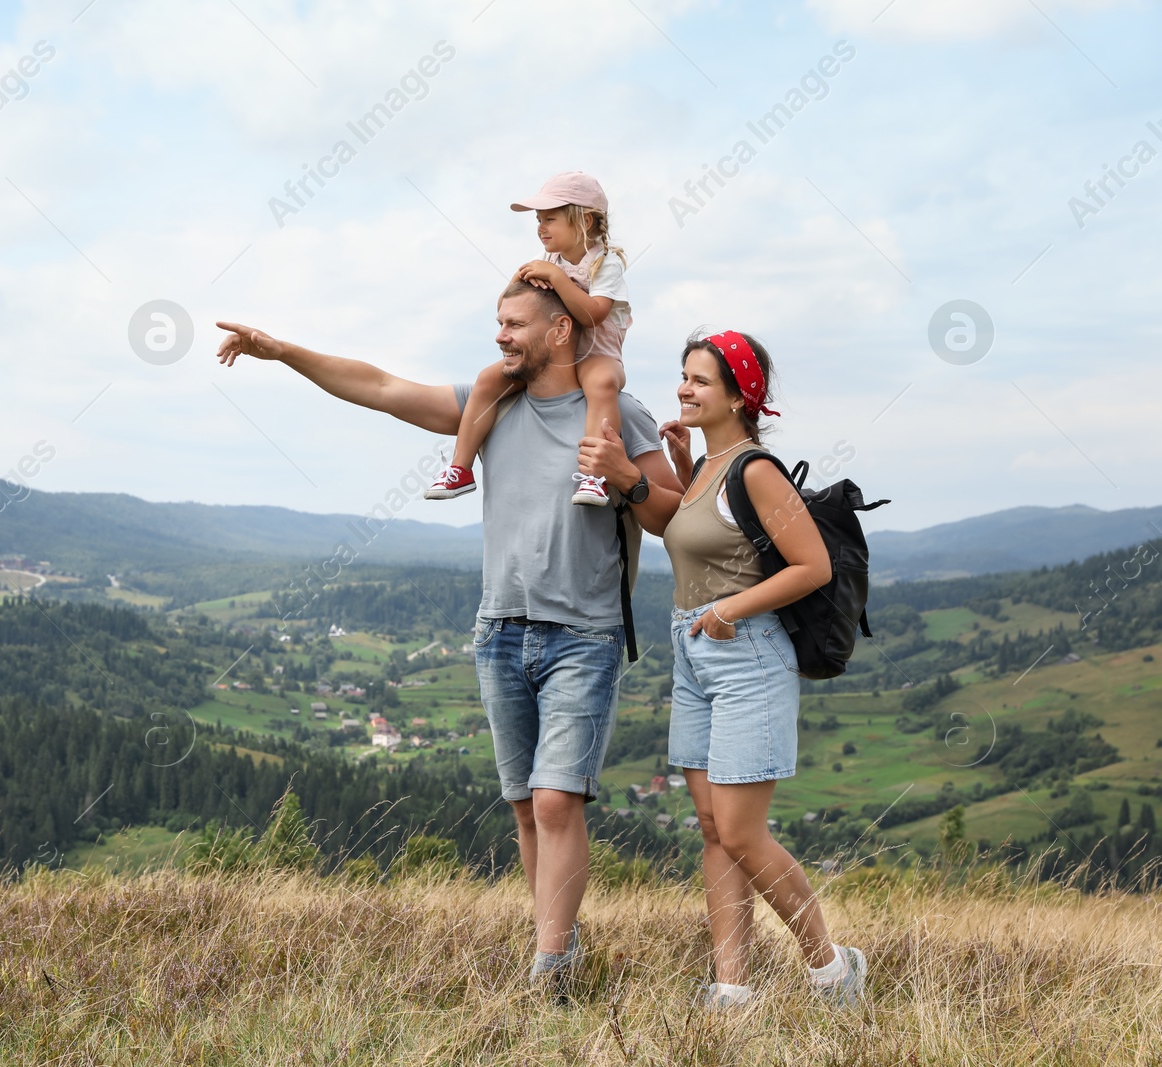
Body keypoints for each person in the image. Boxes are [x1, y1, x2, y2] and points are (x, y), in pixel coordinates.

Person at [216, 280, 679, 997]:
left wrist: (626, 479)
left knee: (557, 802)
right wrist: (283, 353)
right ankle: (556, 942)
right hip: (499, 630)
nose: (500, 336)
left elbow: (670, 515)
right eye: (498, 322)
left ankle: (550, 971)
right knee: (527, 806)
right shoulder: (491, 404)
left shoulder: (623, 413)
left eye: (514, 324)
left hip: (584, 634)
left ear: (560, 331)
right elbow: (379, 387)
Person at [577, 328, 868, 1011]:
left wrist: (730, 606)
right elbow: (677, 528)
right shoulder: (706, 466)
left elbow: (812, 566)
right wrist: (654, 474)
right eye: (683, 375)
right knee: (712, 829)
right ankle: (732, 986)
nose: (684, 387)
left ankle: (831, 967)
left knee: (740, 830)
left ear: (741, 395)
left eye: (700, 379)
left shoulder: (755, 470)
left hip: (746, 657)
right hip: (694, 654)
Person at [424, 172, 632, 507]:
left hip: (597, 353)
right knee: (487, 379)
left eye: (550, 219)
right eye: (538, 220)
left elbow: (594, 315)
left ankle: (596, 475)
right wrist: (517, 280)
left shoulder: (604, 264)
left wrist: (557, 279)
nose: (540, 227)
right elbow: (507, 304)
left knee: (603, 384)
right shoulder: (548, 262)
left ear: (586, 220)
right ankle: (460, 468)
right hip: (552, 357)